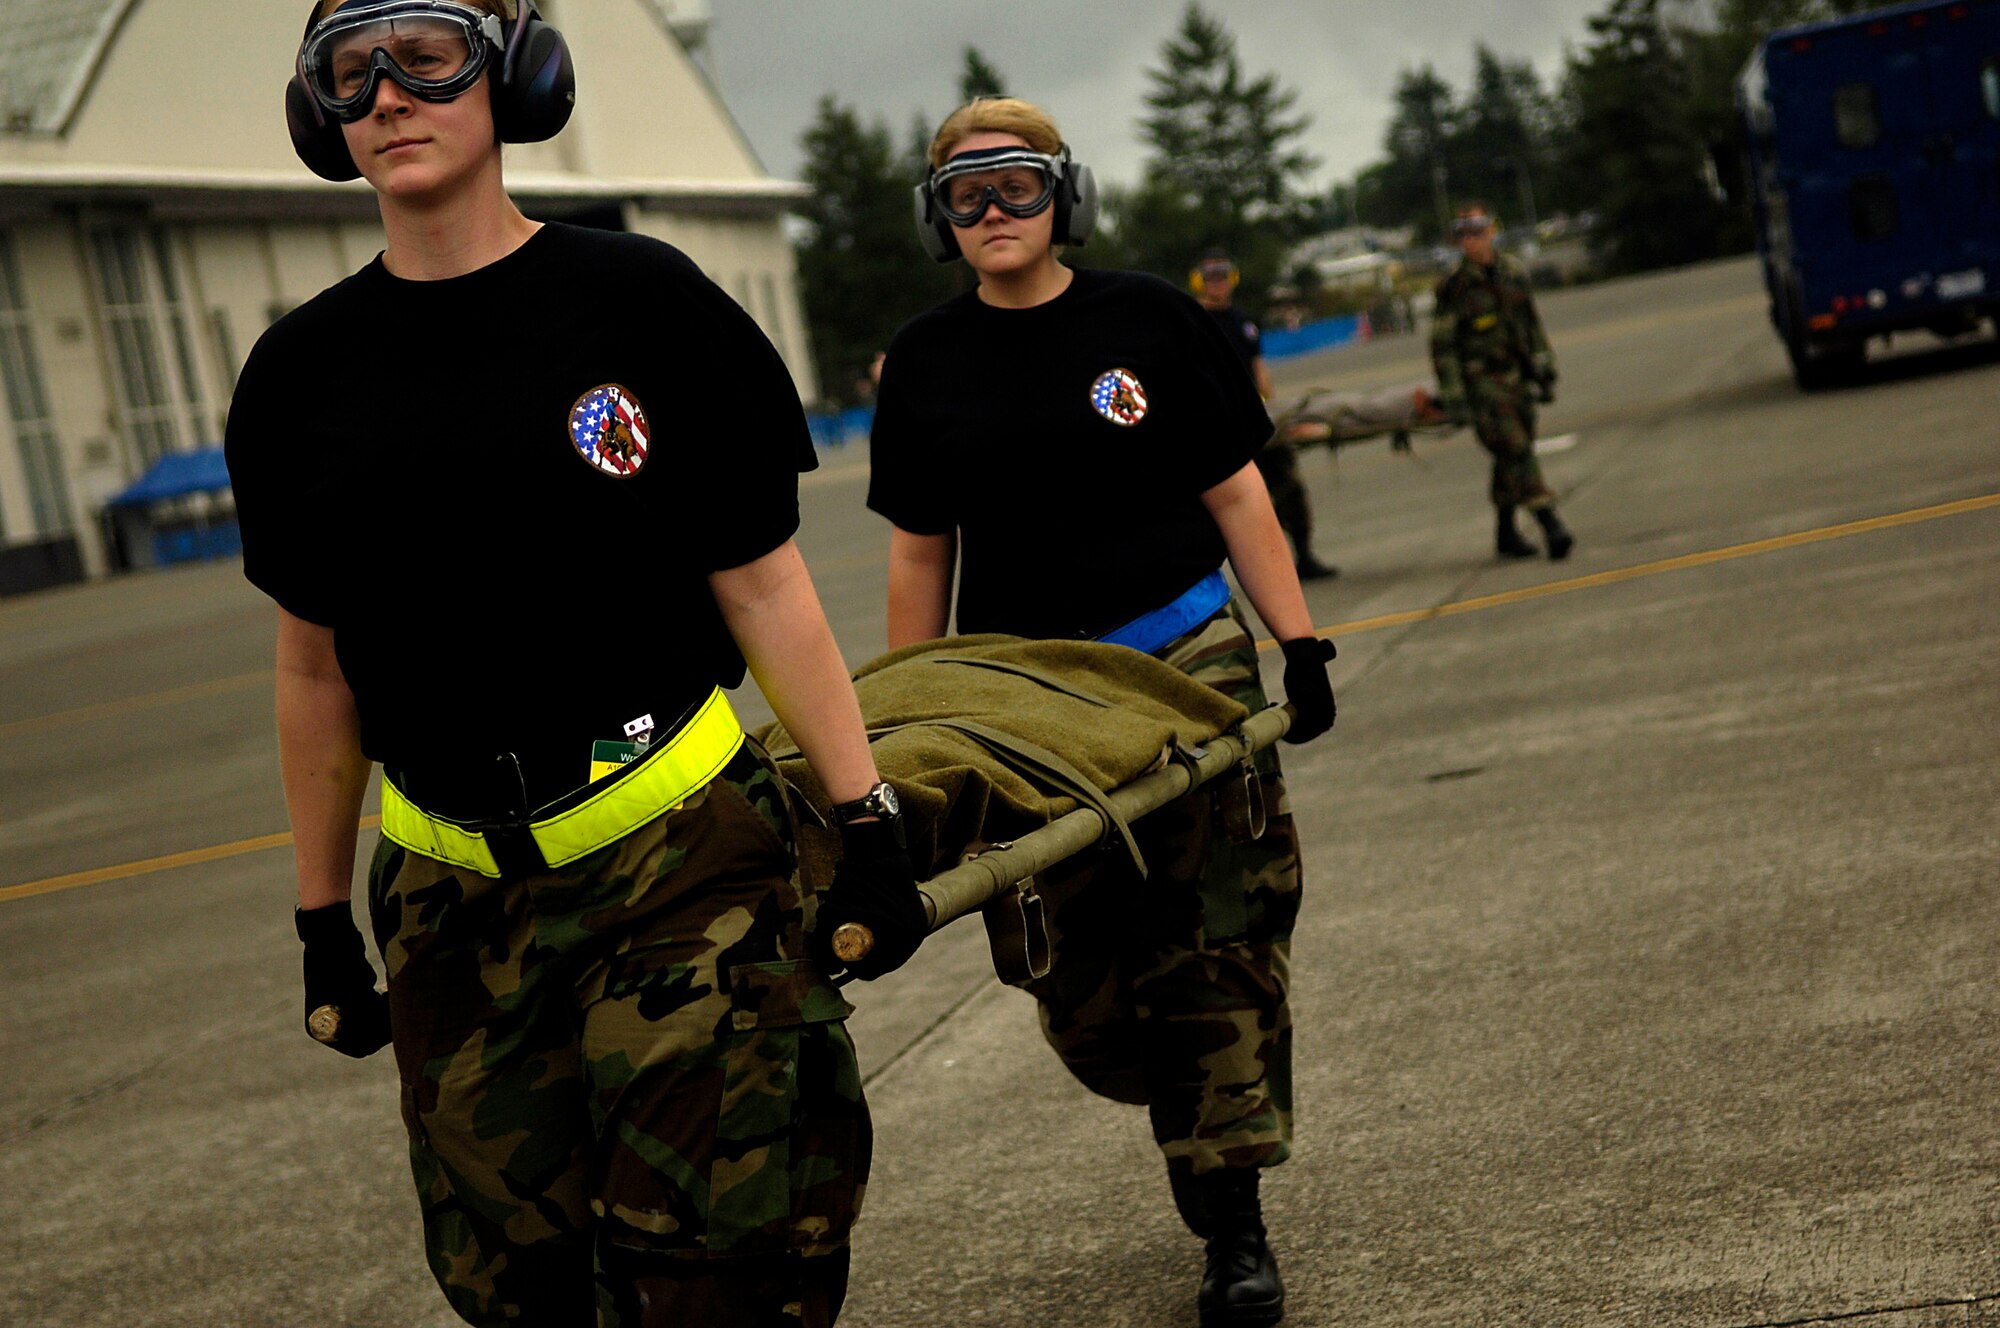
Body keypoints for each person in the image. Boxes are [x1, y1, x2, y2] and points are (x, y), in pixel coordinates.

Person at [225, 3, 926, 1323]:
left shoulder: (645, 303)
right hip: (447, 896)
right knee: (516, 1291)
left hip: (680, 854)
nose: (388, 92)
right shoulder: (296, 375)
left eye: (425, 51)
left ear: (518, 75)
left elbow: (765, 583)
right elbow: (316, 670)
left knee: (723, 1267)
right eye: (348, 68)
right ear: (317, 114)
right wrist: (323, 920)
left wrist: (863, 816)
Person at [868, 97, 1338, 1328]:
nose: (993, 214)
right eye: (965, 194)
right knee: (1078, 991)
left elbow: (1235, 495)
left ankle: (1230, 1222)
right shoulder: (922, 361)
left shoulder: (1149, 318)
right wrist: (897, 735)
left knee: (1215, 949)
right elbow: (919, 560)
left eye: (1018, 186)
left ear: (1062, 196)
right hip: (1025, 711)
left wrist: (1299, 641)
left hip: (1184, 669)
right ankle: (1193, 1119)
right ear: (938, 217)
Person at [1429, 202, 1576, 560]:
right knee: (1516, 448)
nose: (1470, 242)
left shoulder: (1512, 272)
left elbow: (1530, 323)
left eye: (1476, 233)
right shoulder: (1455, 286)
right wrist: (1454, 395)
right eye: (1463, 236)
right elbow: (1443, 345)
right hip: (1482, 384)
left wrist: (1543, 362)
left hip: (1516, 377)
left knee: (1512, 453)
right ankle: (1550, 523)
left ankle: (1506, 533)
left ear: (1491, 232)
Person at [1191, 251, 1338, 581]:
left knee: (1288, 486)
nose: (1218, 282)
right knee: (1226, 504)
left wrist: (1266, 405)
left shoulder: (1244, 320)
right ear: (1199, 281)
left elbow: (1258, 369)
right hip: (1220, 425)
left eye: (1223, 275)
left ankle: (1304, 555)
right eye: (1211, 276)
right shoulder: (1193, 320)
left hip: (1255, 419)